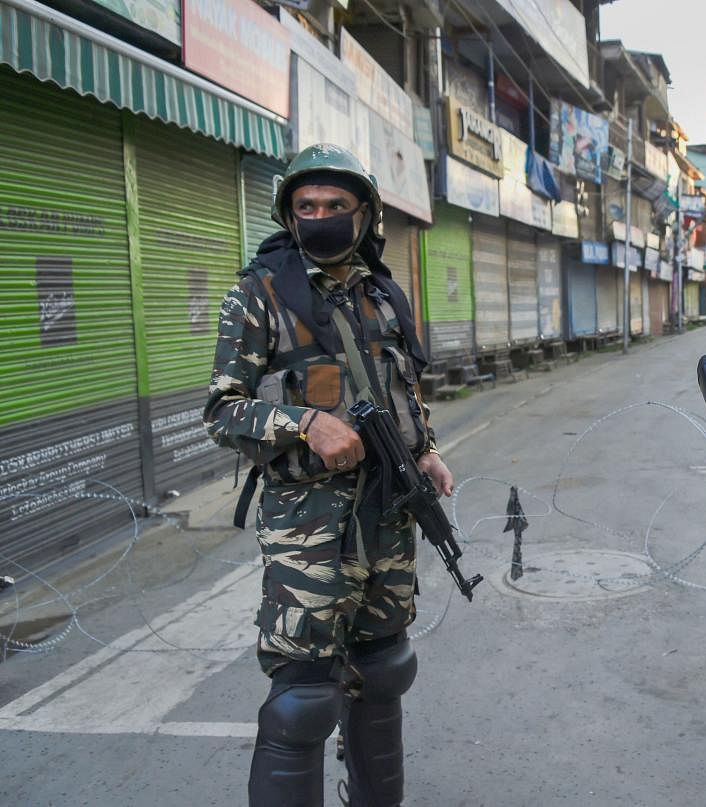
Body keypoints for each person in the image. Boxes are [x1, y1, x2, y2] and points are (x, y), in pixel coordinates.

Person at [204, 143, 451, 806]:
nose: (320, 216)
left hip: (386, 521)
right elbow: (222, 411)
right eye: (306, 206)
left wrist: (424, 449)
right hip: (308, 532)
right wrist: (304, 423)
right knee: (304, 696)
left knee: (384, 670)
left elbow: (403, 387)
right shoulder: (258, 294)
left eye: (335, 206)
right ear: (289, 214)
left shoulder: (382, 293)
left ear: (364, 213)